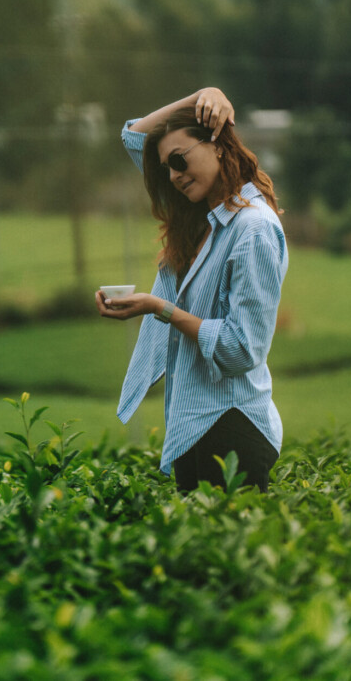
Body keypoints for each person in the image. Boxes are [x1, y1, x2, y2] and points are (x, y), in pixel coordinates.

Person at [95, 87, 287, 492]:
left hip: (232, 426)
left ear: (216, 144)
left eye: (180, 160)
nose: (174, 175)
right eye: (167, 167)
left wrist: (159, 307)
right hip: (190, 423)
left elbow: (241, 350)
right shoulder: (202, 220)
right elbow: (134, 136)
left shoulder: (252, 229)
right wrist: (202, 96)